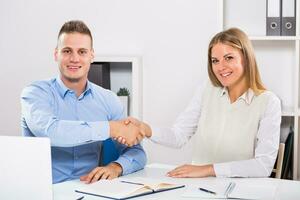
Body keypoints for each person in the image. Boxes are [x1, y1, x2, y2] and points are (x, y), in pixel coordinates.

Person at [121, 28, 281, 178]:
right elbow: (179, 136)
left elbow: (263, 166)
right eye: (215, 60)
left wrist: (208, 170)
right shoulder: (207, 90)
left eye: (229, 58)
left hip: (239, 190)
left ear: (246, 58)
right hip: (199, 188)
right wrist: (146, 130)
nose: (221, 67)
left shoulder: (268, 102)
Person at [21, 20, 146, 184]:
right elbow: (51, 132)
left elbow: (137, 152)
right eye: (67, 51)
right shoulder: (36, 93)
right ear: (56, 54)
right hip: (44, 191)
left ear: (91, 55)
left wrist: (116, 167)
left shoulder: (108, 99)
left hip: (89, 190)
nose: (74, 58)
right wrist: (111, 128)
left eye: (82, 52)